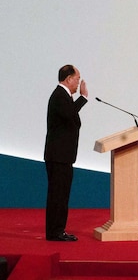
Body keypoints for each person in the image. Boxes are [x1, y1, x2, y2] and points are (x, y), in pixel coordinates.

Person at [44, 64, 88, 241]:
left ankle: (57, 230)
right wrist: (83, 98)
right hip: (58, 156)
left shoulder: (64, 96)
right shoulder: (59, 96)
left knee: (61, 195)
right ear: (68, 79)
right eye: (77, 79)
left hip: (62, 156)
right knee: (58, 195)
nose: (78, 82)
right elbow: (70, 115)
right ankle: (55, 232)